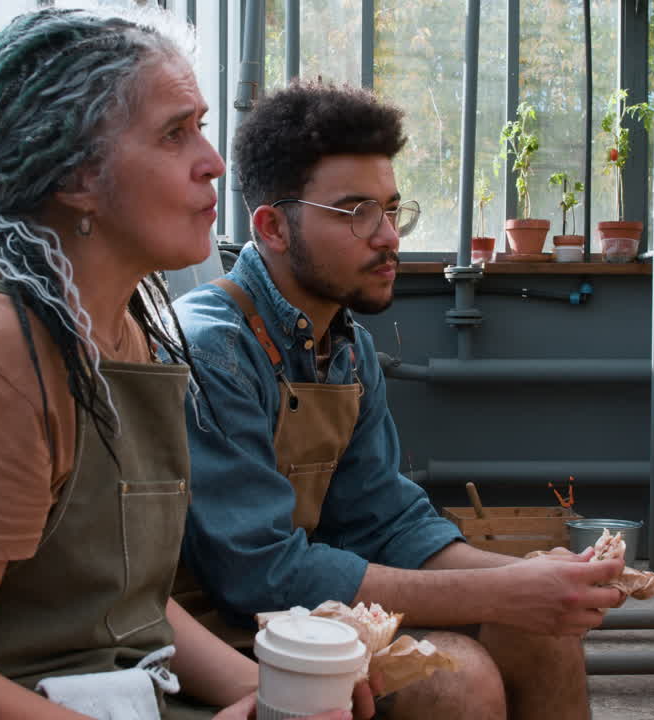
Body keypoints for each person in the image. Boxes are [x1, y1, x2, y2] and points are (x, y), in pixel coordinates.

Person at [0, 9, 371, 720]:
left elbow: (127, 600)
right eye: (175, 133)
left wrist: (266, 690)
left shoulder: (128, 330)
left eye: (201, 126)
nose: (214, 162)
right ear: (76, 173)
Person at [174, 81, 627, 720]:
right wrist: (499, 591)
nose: (388, 236)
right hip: (219, 636)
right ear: (273, 227)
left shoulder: (349, 348)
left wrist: (535, 581)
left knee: (541, 629)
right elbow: (259, 575)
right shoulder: (212, 347)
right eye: (357, 212)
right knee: (457, 678)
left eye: (391, 210)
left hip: (321, 616)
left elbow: (387, 523)